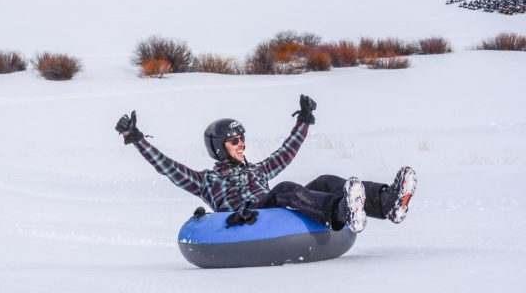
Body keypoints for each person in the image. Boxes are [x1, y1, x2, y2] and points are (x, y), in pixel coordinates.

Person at [115, 95, 417, 233]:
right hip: (250, 218)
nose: (241, 144)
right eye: (234, 141)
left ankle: (387, 202)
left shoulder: (257, 170)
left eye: (242, 138)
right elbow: (168, 167)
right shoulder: (206, 180)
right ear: (219, 148)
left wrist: (303, 120)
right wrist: (136, 138)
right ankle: (343, 211)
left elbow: (286, 151)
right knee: (285, 189)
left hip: (273, 209)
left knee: (324, 179)